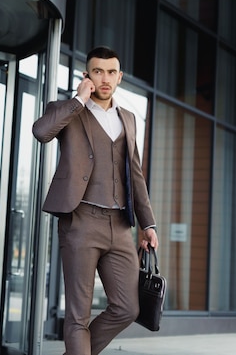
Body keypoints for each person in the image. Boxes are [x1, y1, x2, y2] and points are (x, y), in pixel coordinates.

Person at [32, 46, 159, 355]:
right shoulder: (68, 110)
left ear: (120, 76)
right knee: (78, 314)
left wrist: (148, 224)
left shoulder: (128, 118)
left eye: (111, 72)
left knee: (127, 308)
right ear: (87, 75)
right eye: (98, 71)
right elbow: (41, 132)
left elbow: (136, 174)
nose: (105, 78)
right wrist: (79, 100)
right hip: (80, 221)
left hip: (120, 227)